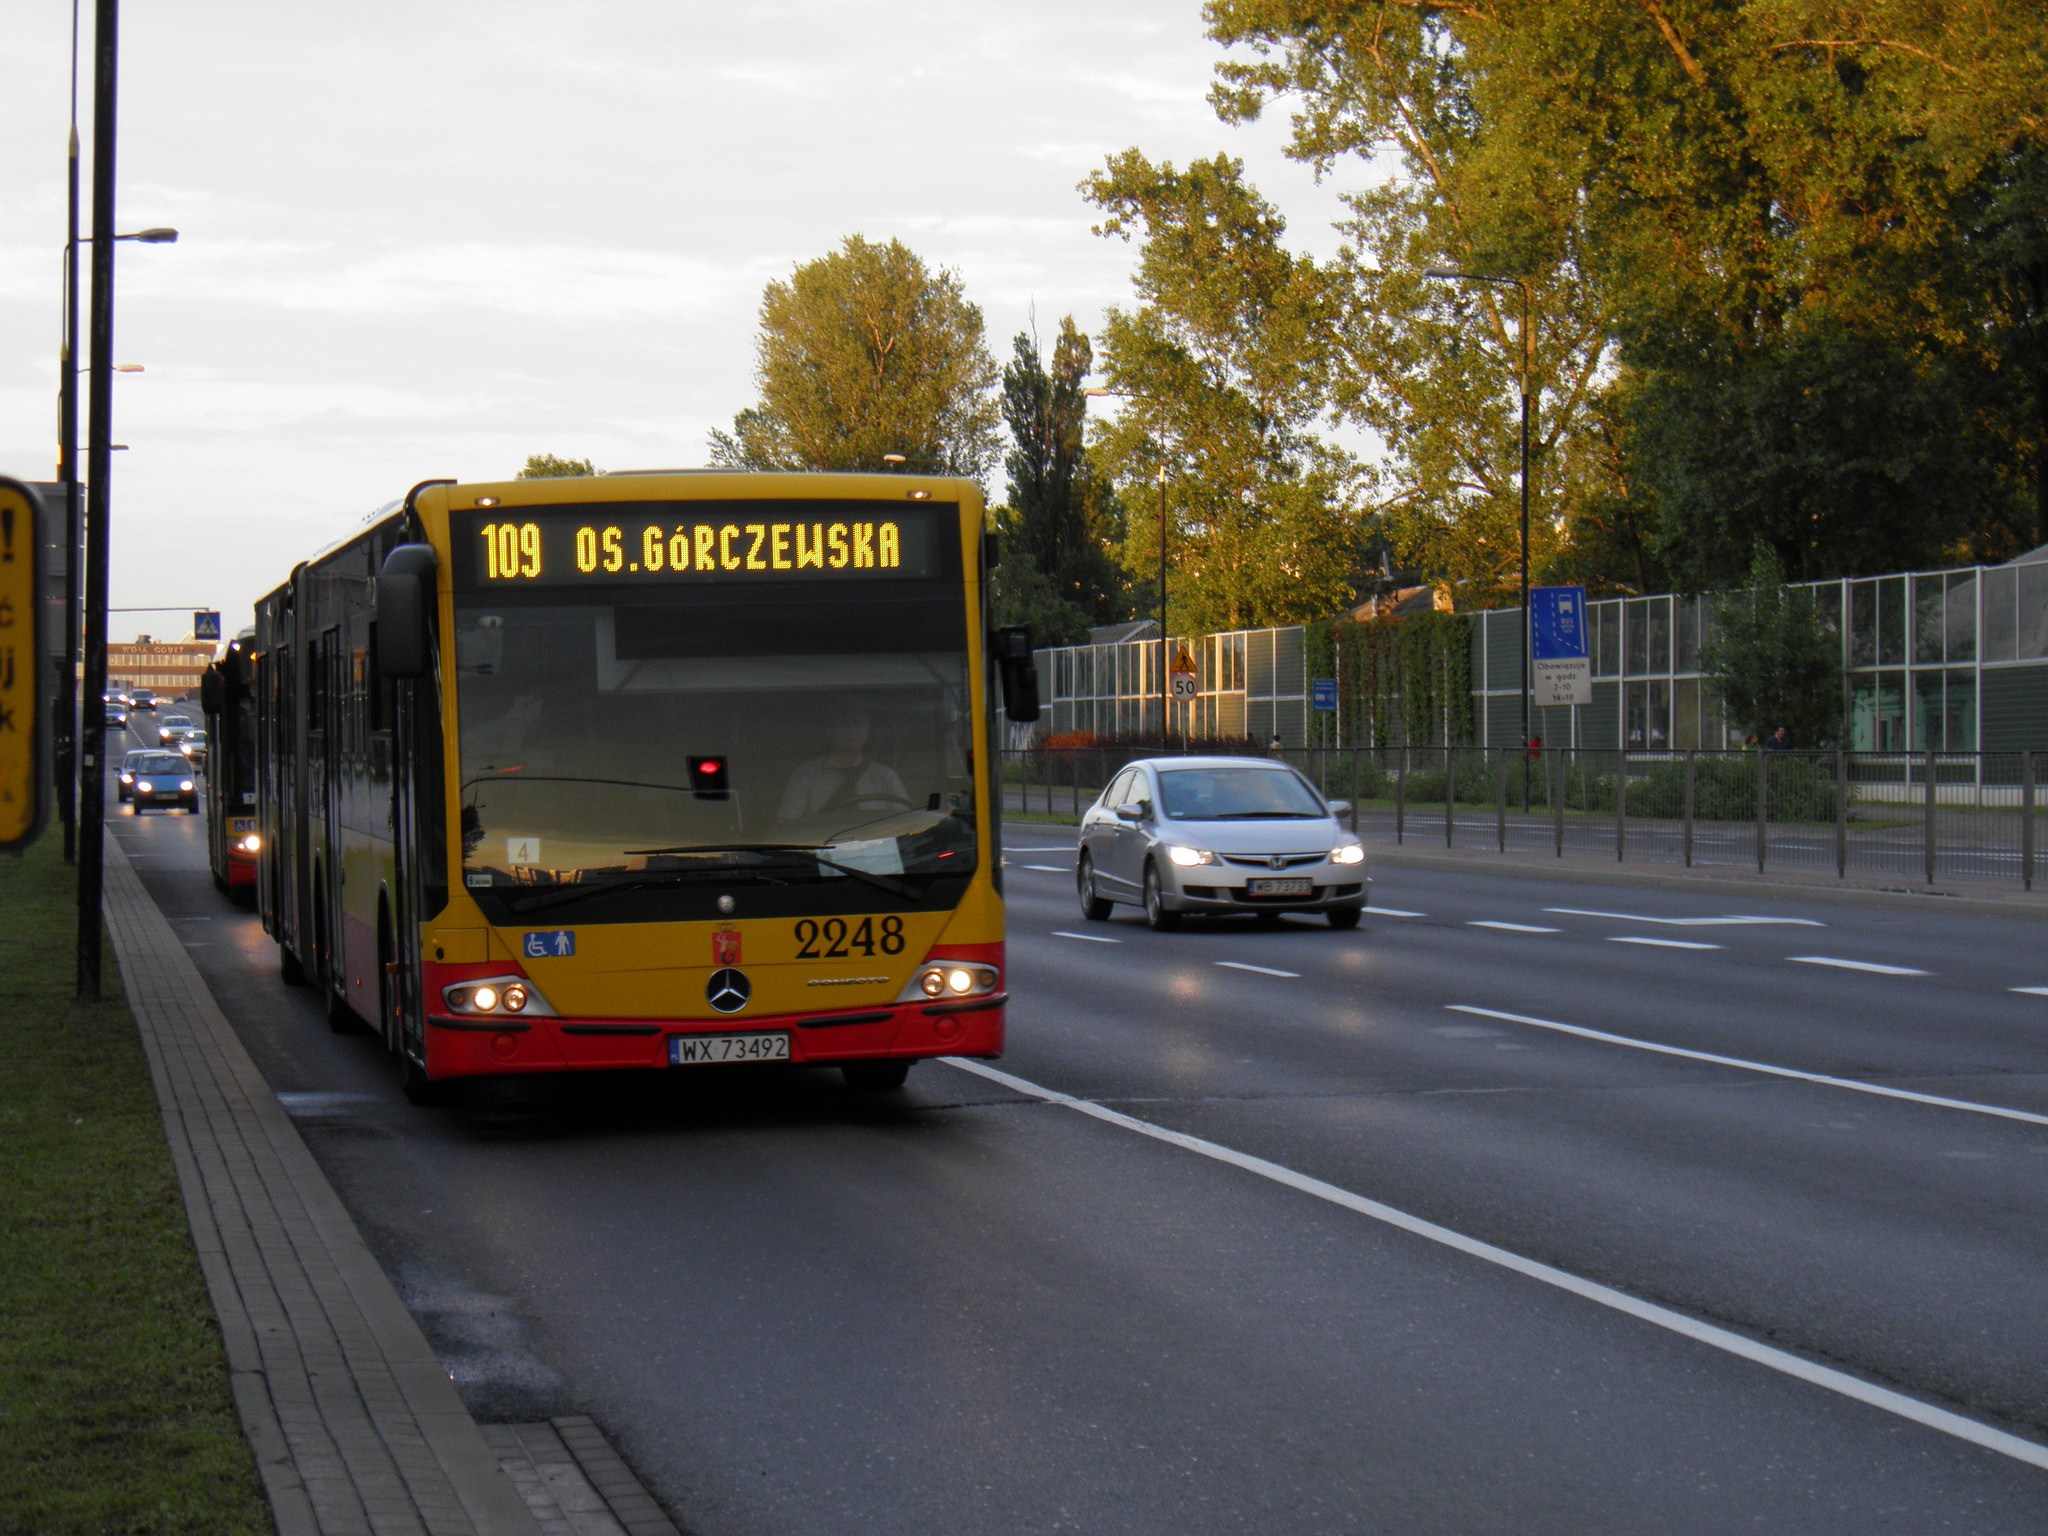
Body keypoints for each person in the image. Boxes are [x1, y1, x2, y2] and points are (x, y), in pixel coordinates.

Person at [777, 702, 909, 824]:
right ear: (829, 731)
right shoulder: (806, 774)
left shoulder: (885, 776)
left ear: (867, 730)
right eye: (843, 724)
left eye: (856, 724)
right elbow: (785, 825)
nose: (850, 731)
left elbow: (904, 824)